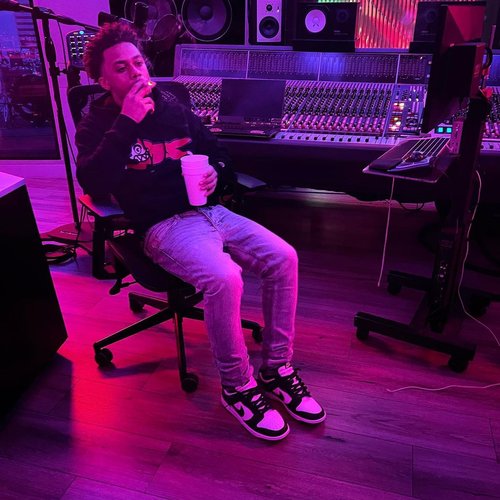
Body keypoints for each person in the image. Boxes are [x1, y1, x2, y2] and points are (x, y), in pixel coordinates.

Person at [76, 22, 325, 441]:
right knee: (225, 278)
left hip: (210, 211)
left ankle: (276, 368)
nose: (135, 72)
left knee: (284, 258)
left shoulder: (171, 107)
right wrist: (127, 122)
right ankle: (237, 386)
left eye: (138, 63)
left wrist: (215, 173)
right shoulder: (97, 126)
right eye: (121, 68)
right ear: (103, 80)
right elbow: (94, 182)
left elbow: (218, 153)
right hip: (163, 225)